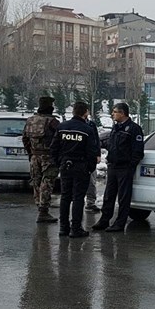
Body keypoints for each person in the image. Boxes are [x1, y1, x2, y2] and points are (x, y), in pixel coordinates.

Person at [50, 102, 100, 238]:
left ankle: (63, 228)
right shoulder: (86, 129)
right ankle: (76, 228)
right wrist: (90, 168)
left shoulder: (62, 127)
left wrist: (59, 163)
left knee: (65, 197)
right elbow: (92, 152)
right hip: (80, 166)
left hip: (66, 165)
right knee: (78, 198)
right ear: (85, 112)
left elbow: (54, 148)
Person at [93, 103, 144, 233]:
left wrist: (130, 166)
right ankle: (104, 220)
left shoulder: (133, 129)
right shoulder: (116, 128)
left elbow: (138, 152)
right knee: (109, 195)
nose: (112, 114)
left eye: (115, 112)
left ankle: (120, 223)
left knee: (123, 197)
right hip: (113, 166)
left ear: (122, 113)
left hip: (124, 168)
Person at [22, 96, 60, 223]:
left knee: (37, 182)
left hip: (34, 156)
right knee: (47, 183)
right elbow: (59, 140)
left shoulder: (30, 120)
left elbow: (25, 139)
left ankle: (39, 207)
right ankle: (44, 211)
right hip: (49, 157)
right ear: (51, 107)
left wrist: (31, 153)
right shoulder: (53, 122)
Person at [82, 108, 102, 213]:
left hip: (90, 157)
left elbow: (96, 140)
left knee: (91, 182)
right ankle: (79, 202)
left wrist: (98, 154)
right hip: (79, 159)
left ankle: (90, 202)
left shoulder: (91, 125)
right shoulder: (73, 125)